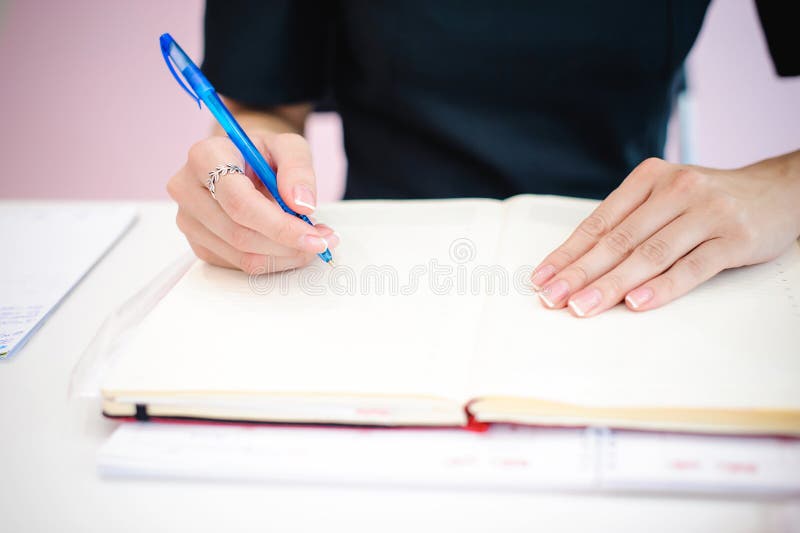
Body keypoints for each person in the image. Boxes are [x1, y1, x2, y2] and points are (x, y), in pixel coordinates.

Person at [167, 1, 799, 318]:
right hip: (382, 265)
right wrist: (239, 169)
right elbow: (264, 107)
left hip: (638, 264)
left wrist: (786, 183)